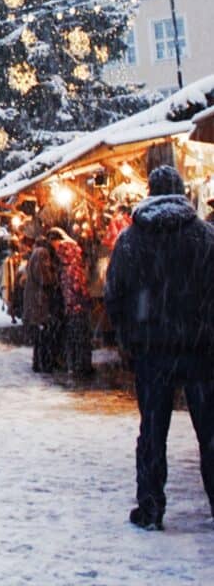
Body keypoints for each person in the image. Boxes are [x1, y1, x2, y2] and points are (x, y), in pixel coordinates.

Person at [105, 165, 214, 531]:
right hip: (201, 349)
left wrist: (130, 338)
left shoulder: (131, 239)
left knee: (153, 431)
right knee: (210, 431)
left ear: (149, 191)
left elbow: (114, 295)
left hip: (152, 350)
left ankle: (150, 507)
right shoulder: (204, 236)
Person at [48, 227, 93, 377]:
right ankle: (82, 364)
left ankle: (78, 365)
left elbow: (70, 288)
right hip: (80, 305)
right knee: (82, 337)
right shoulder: (76, 261)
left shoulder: (66, 263)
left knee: (75, 337)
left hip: (73, 306)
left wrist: (68, 304)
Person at [22, 236, 61, 373]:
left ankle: (38, 362)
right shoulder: (42, 253)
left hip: (35, 299)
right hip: (39, 301)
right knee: (43, 333)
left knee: (40, 334)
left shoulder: (35, 252)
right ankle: (43, 363)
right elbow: (44, 277)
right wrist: (55, 277)